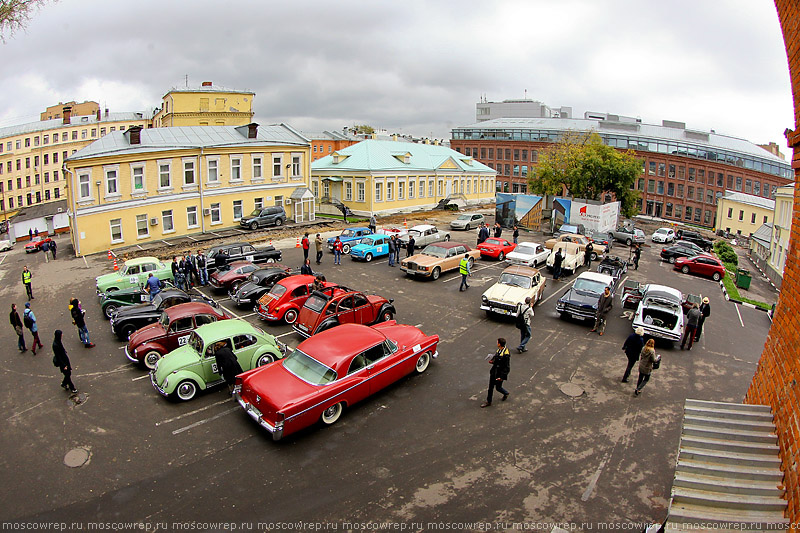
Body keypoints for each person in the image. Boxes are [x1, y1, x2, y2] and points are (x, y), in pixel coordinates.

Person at [481, 338, 511, 407]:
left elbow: (506, 367)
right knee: (491, 387)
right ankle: (489, 401)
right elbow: (496, 358)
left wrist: (502, 377)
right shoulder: (500, 350)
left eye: (497, 342)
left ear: (499, 344)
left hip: (499, 373)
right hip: (494, 371)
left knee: (498, 387)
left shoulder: (505, 355)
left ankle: (505, 393)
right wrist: (493, 360)